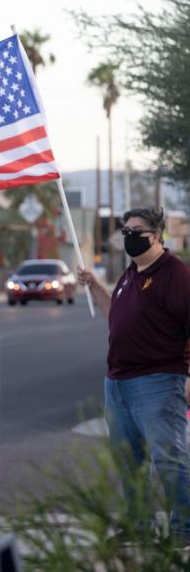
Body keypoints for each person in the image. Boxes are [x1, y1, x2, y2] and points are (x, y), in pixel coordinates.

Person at [77, 206, 190, 539]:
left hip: (158, 381)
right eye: (125, 232)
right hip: (118, 383)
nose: (128, 238)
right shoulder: (131, 274)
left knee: (169, 460)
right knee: (131, 464)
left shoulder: (174, 273)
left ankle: (184, 529)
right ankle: (139, 528)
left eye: (135, 232)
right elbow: (116, 315)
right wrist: (96, 285)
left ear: (155, 236)